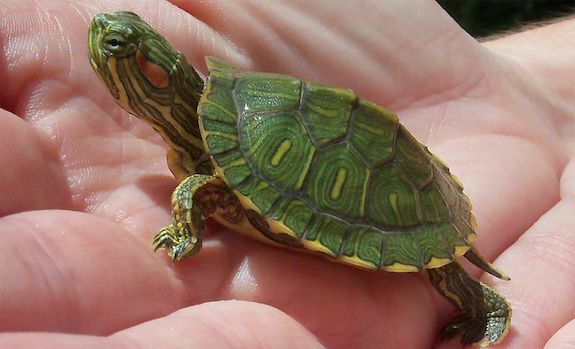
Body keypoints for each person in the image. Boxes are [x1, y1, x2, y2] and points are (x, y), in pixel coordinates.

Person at [0, 1, 573, 348]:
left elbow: (200, 186)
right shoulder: (225, 111)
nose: (103, 37)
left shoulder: (210, 153)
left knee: (200, 185)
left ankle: (481, 302)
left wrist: (185, 231)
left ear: (158, 74)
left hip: (391, 195)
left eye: (121, 44)